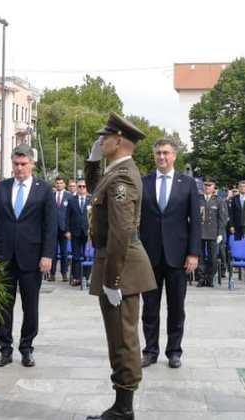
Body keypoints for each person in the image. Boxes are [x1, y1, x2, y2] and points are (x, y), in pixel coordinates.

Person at [84, 113, 156, 420]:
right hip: (116, 265)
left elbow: (121, 232)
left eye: (104, 137)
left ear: (118, 141)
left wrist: (112, 280)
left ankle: (124, 409)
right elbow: (94, 190)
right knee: (118, 336)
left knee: (124, 339)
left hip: (121, 268)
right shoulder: (115, 171)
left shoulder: (124, 175)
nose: (100, 141)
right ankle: (120, 405)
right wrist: (92, 160)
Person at [0, 144, 56, 368]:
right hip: (4, 256)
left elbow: (50, 226)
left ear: (32, 164)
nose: (19, 168)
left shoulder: (44, 189)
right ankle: (5, 349)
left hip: (32, 257)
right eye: (15, 164)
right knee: (4, 306)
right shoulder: (2, 188)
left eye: (23, 164)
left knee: (30, 306)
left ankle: (27, 348)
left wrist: (47, 255)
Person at [139, 138, 201, 369]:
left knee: (176, 308)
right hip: (149, 256)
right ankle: (150, 351)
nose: (162, 157)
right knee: (149, 308)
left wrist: (193, 253)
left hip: (178, 256)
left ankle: (174, 351)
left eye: (166, 153)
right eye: (158, 153)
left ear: (174, 155)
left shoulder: (187, 184)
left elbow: (195, 221)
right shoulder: (143, 182)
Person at [197, 177, 227, 287]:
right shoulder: (197, 199)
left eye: (210, 185)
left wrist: (220, 233)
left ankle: (209, 278)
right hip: (200, 232)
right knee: (199, 257)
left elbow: (222, 218)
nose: (207, 187)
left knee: (213, 258)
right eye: (205, 185)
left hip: (213, 233)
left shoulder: (219, 200)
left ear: (214, 187)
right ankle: (201, 278)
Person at [67, 178, 91, 287]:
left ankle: (86, 277)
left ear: (86, 188)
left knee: (88, 256)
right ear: (76, 187)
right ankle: (76, 278)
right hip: (75, 232)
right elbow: (67, 217)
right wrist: (67, 231)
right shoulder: (72, 200)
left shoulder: (91, 200)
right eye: (79, 186)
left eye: (84, 186)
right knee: (76, 256)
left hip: (88, 233)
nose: (81, 188)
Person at [51, 177, 73, 282]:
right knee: (52, 252)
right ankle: (52, 274)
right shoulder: (51, 196)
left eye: (61, 183)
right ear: (55, 184)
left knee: (64, 252)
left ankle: (64, 273)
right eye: (57, 183)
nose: (59, 185)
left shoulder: (69, 196)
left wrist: (69, 229)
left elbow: (70, 215)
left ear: (64, 185)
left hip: (64, 228)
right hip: (53, 228)